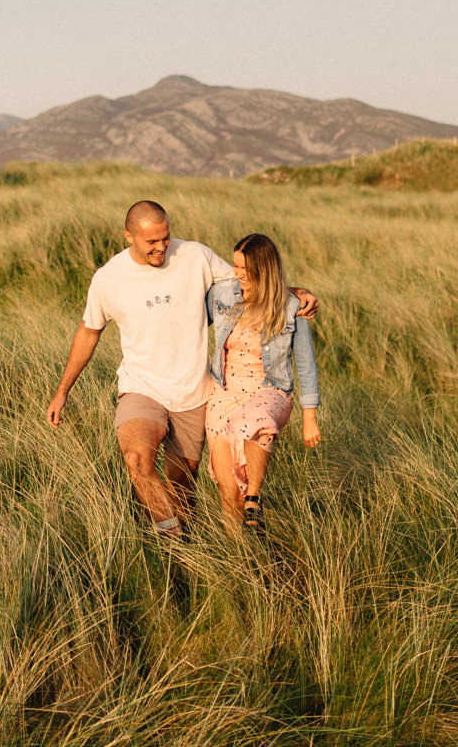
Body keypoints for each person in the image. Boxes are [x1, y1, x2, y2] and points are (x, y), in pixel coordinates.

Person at [47, 202, 315, 539]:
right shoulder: (108, 279)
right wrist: (62, 390)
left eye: (166, 237)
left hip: (194, 393)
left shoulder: (195, 256)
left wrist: (295, 293)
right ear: (129, 236)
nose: (162, 247)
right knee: (136, 460)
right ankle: (170, 540)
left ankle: (183, 548)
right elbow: (89, 331)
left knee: (181, 489)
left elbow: (246, 285)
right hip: (141, 387)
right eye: (151, 242)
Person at [205, 233, 321, 532]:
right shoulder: (222, 295)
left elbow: (306, 365)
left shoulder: (291, 306)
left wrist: (310, 418)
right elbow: (188, 313)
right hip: (224, 391)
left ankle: (254, 498)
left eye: (246, 269)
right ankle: (241, 556)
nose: (238, 274)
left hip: (269, 390)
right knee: (227, 490)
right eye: (235, 266)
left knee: (251, 421)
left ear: (265, 270)